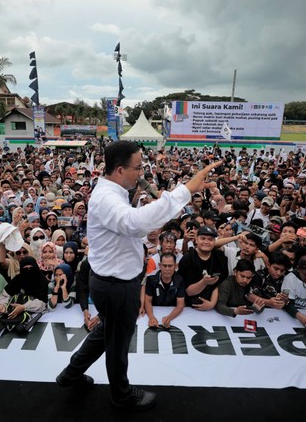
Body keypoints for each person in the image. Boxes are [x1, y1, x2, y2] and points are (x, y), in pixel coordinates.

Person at [56, 140, 220, 410]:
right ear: (119, 170)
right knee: (118, 344)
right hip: (116, 286)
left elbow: (128, 228)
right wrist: (186, 190)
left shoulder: (115, 191)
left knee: (107, 332)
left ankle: (71, 373)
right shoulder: (108, 197)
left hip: (114, 282)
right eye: (138, 167)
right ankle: (121, 394)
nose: (141, 173)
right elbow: (134, 223)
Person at [143, 252, 186, 328]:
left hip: (172, 310)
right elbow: (148, 301)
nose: (167, 269)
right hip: (155, 309)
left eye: (170, 266)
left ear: (175, 266)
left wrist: (169, 318)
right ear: (159, 266)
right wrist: (151, 317)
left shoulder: (180, 280)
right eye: (164, 266)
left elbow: (180, 305)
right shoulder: (151, 279)